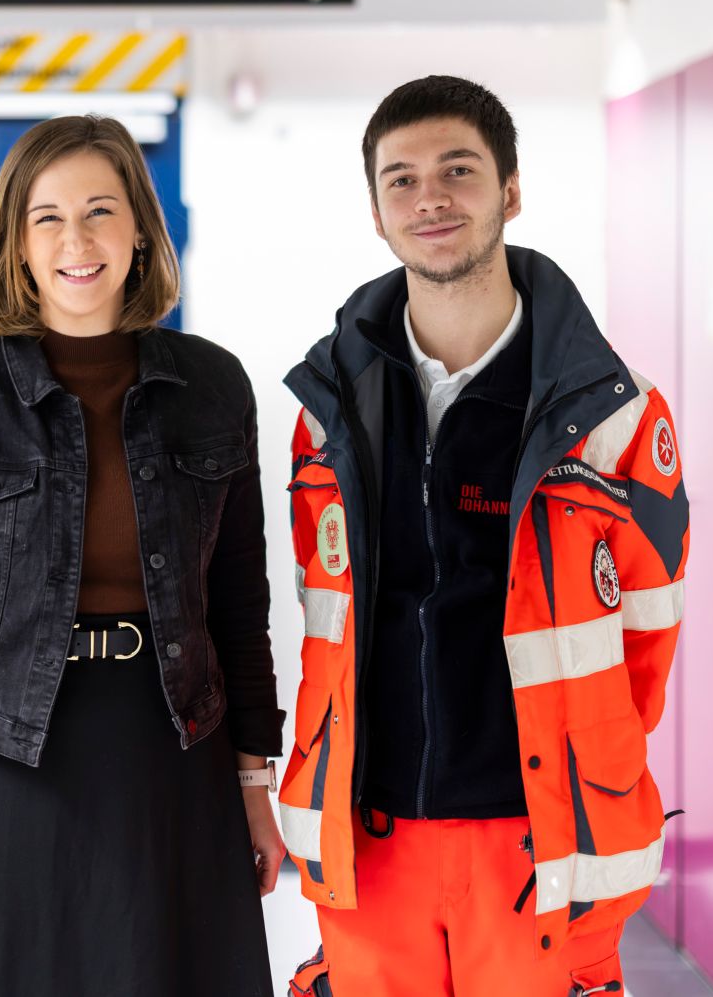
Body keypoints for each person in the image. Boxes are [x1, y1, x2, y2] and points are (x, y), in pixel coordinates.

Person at [0, 115, 285, 996]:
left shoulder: (212, 386)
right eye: (46, 217)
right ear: (15, 241)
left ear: (139, 231)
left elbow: (239, 600)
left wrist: (251, 779)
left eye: (99, 210)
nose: (76, 240)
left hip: (171, 754)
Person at [280, 77, 689, 997]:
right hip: (369, 835)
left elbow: (647, 644)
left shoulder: (614, 416)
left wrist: (584, 758)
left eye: (458, 170)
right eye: (402, 180)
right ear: (377, 213)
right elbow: (325, 616)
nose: (430, 197)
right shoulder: (328, 413)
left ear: (510, 191)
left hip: (540, 839)